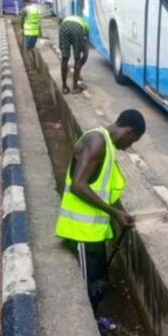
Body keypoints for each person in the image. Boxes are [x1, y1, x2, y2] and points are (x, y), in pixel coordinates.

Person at [54, 110, 146, 314]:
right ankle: (91, 329)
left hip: (92, 233)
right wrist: (115, 213)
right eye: (133, 141)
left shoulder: (106, 143)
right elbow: (78, 186)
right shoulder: (97, 141)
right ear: (129, 132)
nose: (130, 146)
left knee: (98, 282)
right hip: (80, 233)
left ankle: (97, 322)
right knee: (88, 289)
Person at [59, 14, 90, 94]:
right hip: (77, 30)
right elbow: (86, 54)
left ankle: (64, 87)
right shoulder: (85, 25)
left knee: (64, 58)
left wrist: (64, 52)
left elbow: (60, 46)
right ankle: (75, 87)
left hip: (64, 28)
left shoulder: (66, 19)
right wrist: (79, 66)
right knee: (77, 58)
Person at [21, 1, 42, 69]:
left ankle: (32, 66)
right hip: (35, 32)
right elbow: (38, 22)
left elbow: (22, 19)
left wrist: (21, 28)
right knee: (31, 48)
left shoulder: (26, 10)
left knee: (29, 49)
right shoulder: (35, 10)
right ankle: (35, 65)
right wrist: (40, 32)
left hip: (29, 32)